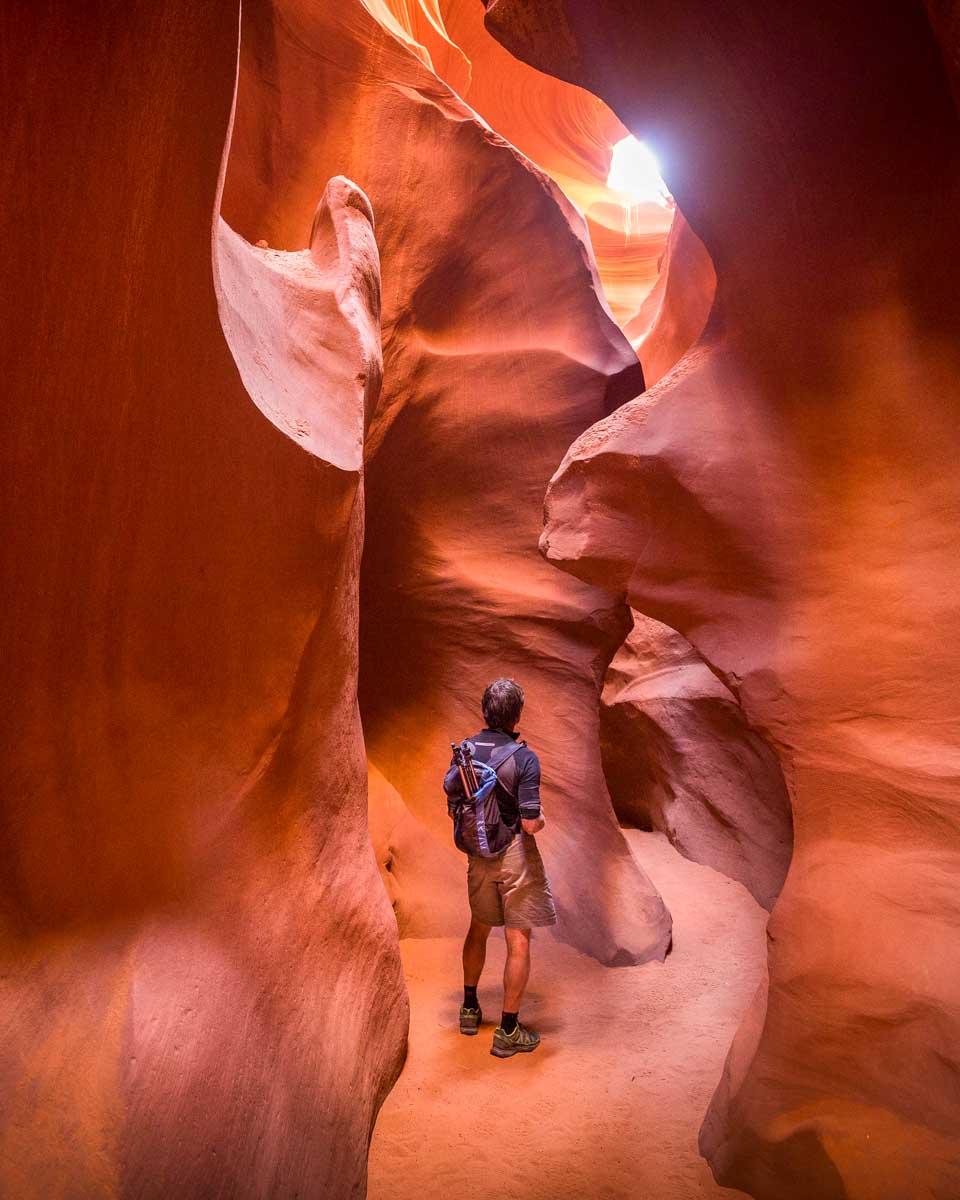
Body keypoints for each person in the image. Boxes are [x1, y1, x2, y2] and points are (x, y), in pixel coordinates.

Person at [444, 678, 557, 1058]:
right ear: (517, 715)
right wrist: (541, 819)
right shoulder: (524, 759)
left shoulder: (466, 750)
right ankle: (508, 1030)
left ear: (484, 712)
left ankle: (469, 1009)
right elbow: (528, 823)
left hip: (477, 855)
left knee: (478, 929)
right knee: (517, 939)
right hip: (512, 854)